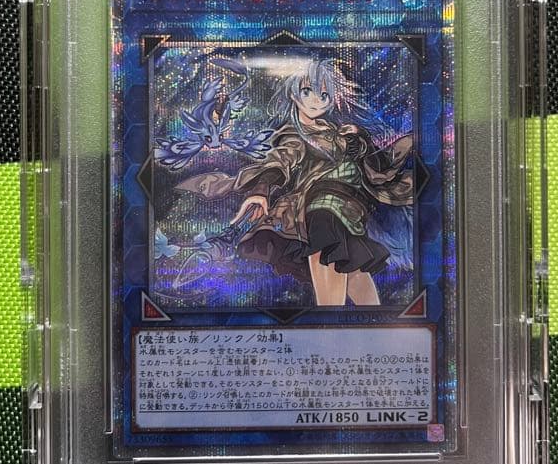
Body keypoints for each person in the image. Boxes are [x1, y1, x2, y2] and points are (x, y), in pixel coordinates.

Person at [177, 57, 413, 307]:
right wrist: (261, 189)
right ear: (293, 93)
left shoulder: (339, 131)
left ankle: (370, 321)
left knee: (351, 268)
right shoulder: (294, 134)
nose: (316, 100)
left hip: (350, 208)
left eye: (324, 95)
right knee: (334, 254)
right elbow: (281, 160)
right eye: (307, 91)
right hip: (321, 204)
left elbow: (377, 167)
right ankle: (332, 320)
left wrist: (360, 141)